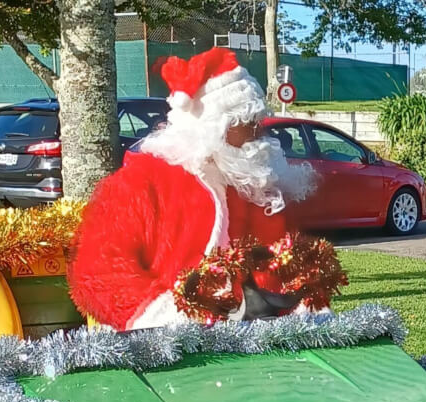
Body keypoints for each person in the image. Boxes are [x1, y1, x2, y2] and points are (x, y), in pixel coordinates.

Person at [68, 47, 318, 330]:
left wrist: (302, 301)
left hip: (249, 339)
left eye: (258, 123)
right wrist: (168, 318)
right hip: (165, 345)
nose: (258, 134)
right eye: (247, 124)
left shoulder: (254, 185)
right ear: (213, 128)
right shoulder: (144, 181)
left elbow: (279, 262)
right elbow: (97, 271)